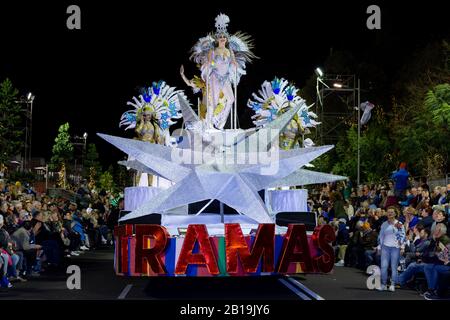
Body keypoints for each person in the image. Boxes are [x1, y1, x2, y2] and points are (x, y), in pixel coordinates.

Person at [189, 13, 255, 129]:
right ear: (217, 39)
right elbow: (209, 63)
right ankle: (208, 124)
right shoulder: (212, 51)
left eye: (224, 37)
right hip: (215, 78)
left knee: (231, 99)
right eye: (220, 37)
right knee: (213, 103)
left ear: (227, 38)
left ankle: (221, 123)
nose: (223, 39)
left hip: (225, 78)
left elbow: (233, 63)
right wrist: (211, 64)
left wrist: (234, 67)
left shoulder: (230, 51)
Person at [376, 206, 406, 291]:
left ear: (395, 214)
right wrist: (379, 247)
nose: (389, 213)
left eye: (392, 212)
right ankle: (383, 284)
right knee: (383, 266)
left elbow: (402, 236)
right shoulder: (384, 224)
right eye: (388, 212)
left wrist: (402, 247)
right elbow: (380, 236)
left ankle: (392, 284)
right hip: (385, 247)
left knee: (394, 267)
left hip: (395, 248)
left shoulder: (399, 224)